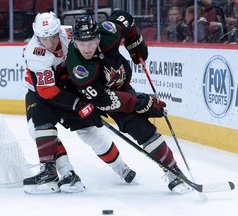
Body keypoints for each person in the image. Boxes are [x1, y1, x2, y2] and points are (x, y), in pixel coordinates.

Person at [66, 10, 192, 194]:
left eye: (91, 42)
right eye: (82, 43)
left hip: (120, 87)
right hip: (91, 97)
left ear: (98, 37)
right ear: (74, 41)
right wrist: (140, 101)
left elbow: (123, 17)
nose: (87, 48)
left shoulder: (108, 32)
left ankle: (173, 171)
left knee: (142, 129)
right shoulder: (79, 68)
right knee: (92, 134)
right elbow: (103, 100)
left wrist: (135, 41)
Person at [22, 12, 136, 194]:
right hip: (41, 92)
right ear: (37, 36)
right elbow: (48, 91)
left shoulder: (69, 34)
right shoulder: (34, 53)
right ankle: (66, 173)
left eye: (52, 37)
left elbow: (97, 40)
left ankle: (121, 167)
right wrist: (80, 106)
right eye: (44, 39)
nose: (50, 43)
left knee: (90, 132)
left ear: (57, 30)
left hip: (71, 87)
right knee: (36, 129)